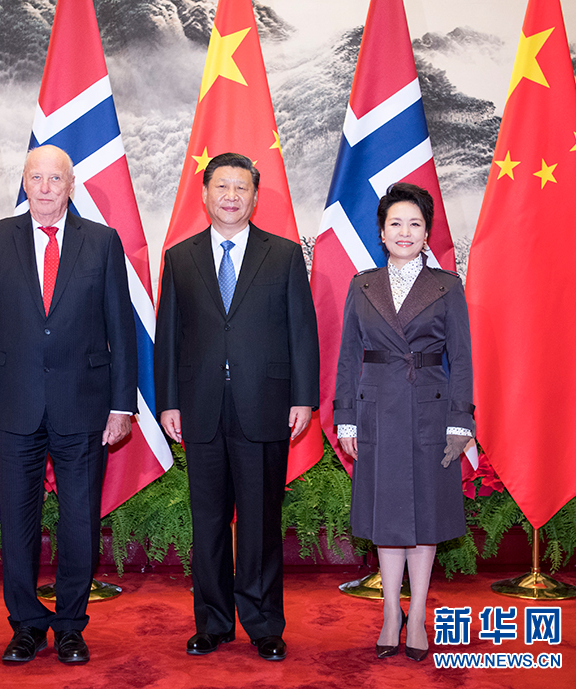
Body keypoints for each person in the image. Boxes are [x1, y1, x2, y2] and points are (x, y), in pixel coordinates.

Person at [0, 145, 137, 665]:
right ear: (24, 182)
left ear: (70, 186)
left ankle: (70, 626)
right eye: (35, 177)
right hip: (11, 408)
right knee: (18, 522)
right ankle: (26, 625)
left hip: (85, 407)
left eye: (55, 179)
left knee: (80, 521)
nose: (44, 187)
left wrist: (121, 406)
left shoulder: (102, 241)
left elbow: (121, 329)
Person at [154, 152, 319, 661]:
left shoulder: (284, 254)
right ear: (204, 194)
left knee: (260, 522)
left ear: (254, 196)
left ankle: (264, 623)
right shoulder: (180, 258)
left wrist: (303, 397)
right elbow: (169, 337)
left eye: (240, 187)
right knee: (207, 522)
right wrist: (168, 402)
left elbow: (302, 332)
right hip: (200, 407)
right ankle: (213, 623)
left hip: (264, 405)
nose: (231, 196)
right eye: (221, 186)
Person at [333, 182, 474, 662]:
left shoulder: (447, 286)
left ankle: (417, 616)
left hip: (431, 411)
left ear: (427, 232)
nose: (405, 231)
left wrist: (460, 421)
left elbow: (462, 359)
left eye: (415, 223)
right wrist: (346, 419)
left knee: (424, 517)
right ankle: (391, 612)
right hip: (375, 410)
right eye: (396, 223)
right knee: (388, 516)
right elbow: (347, 357)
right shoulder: (362, 284)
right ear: (382, 231)